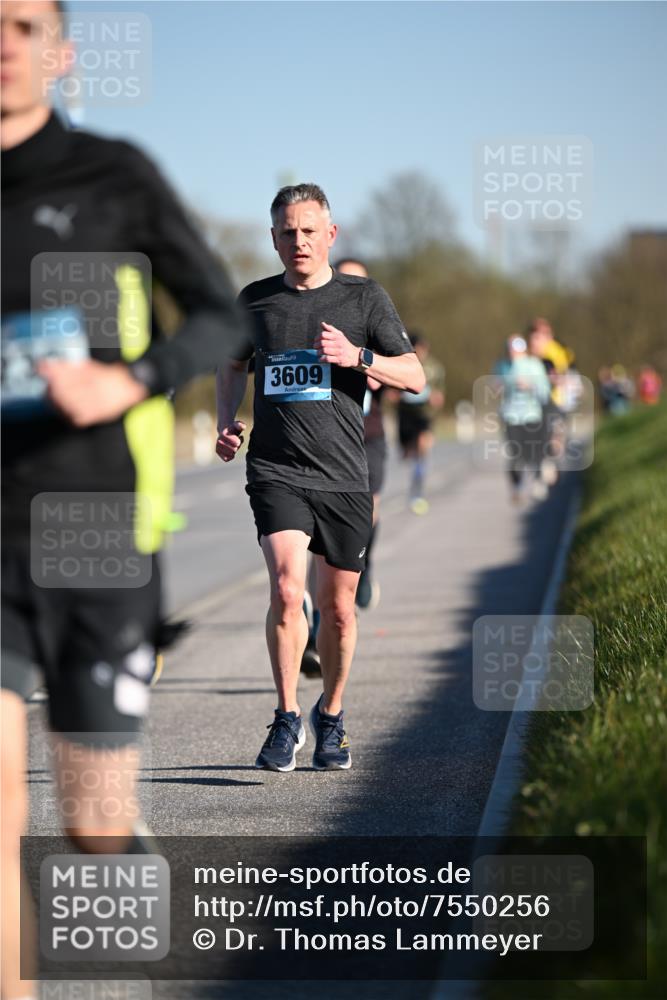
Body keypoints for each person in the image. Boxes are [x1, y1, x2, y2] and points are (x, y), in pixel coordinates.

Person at [1, 4, 244, 997]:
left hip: (94, 530)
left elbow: (223, 313)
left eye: (20, 24)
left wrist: (133, 378)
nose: (0, 42)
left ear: (57, 54)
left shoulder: (113, 174)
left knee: (92, 825)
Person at [216, 183, 424, 772]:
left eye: (309, 230)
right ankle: (285, 717)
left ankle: (329, 717)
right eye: (287, 231)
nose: (298, 241)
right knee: (286, 589)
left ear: (331, 235)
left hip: (344, 474)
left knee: (339, 608)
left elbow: (414, 375)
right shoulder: (254, 302)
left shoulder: (364, 298)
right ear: (274, 237)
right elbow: (231, 364)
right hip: (276, 469)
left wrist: (358, 358)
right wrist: (226, 419)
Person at [497, 335, 552, 504]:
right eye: (512, 350)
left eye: (518, 350)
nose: (514, 353)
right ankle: (517, 487)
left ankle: (537, 482)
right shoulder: (503, 367)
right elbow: (494, 387)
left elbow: (545, 392)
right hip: (511, 416)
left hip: (531, 414)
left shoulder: (534, 365)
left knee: (533, 453)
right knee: (515, 454)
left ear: (524, 350)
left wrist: (530, 386)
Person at [396, 333, 445, 514]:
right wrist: (397, 395)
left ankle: (418, 490)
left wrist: (435, 398)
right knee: (408, 454)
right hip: (406, 415)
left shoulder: (435, 368)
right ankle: (414, 476)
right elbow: (390, 394)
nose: (420, 353)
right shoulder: (402, 364)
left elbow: (440, 396)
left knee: (423, 447)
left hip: (424, 415)